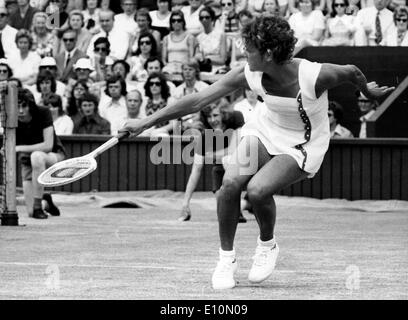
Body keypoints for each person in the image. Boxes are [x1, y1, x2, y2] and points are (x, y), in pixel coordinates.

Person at [120, 16, 393, 290]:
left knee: (258, 191)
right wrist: (145, 122)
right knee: (228, 184)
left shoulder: (315, 75)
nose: (243, 52)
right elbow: (199, 100)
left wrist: (367, 91)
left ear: (269, 53)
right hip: (265, 129)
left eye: (249, 48)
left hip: (303, 143)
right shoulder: (248, 72)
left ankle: (267, 244)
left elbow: (352, 71)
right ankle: (226, 259)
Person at [178, 100, 247, 222]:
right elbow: (196, 171)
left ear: (224, 113)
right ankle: (241, 206)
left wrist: (211, 155)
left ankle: (241, 206)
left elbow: (233, 150)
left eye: (215, 115)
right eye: (208, 117)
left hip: (248, 166)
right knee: (224, 208)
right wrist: (185, 204)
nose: (212, 120)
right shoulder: (205, 136)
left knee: (228, 159)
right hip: (221, 170)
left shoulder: (236, 118)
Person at [16, 88, 66, 219]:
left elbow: (48, 145)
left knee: (36, 156)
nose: (21, 111)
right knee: (31, 213)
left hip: (53, 156)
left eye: (24, 106)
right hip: (27, 162)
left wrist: (17, 148)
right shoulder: (10, 119)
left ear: (31, 105)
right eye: (17, 106)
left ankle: (38, 206)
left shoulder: (43, 112)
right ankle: (45, 203)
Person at [162, 10, 196, 81]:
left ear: (183, 22)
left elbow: (191, 57)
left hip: (184, 67)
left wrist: (183, 66)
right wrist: (168, 66)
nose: (176, 23)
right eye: (173, 21)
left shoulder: (189, 37)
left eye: (179, 20)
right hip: (169, 67)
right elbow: (163, 59)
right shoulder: (166, 38)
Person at [195, 6, 228, 75]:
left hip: (219, 69)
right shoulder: (199, 38)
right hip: (204, 70)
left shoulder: (221, 35)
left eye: (207, 17)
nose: (204, 20)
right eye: (201, 18)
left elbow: (223, 60)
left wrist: (206, 59)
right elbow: (198, 58)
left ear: (212, 18)